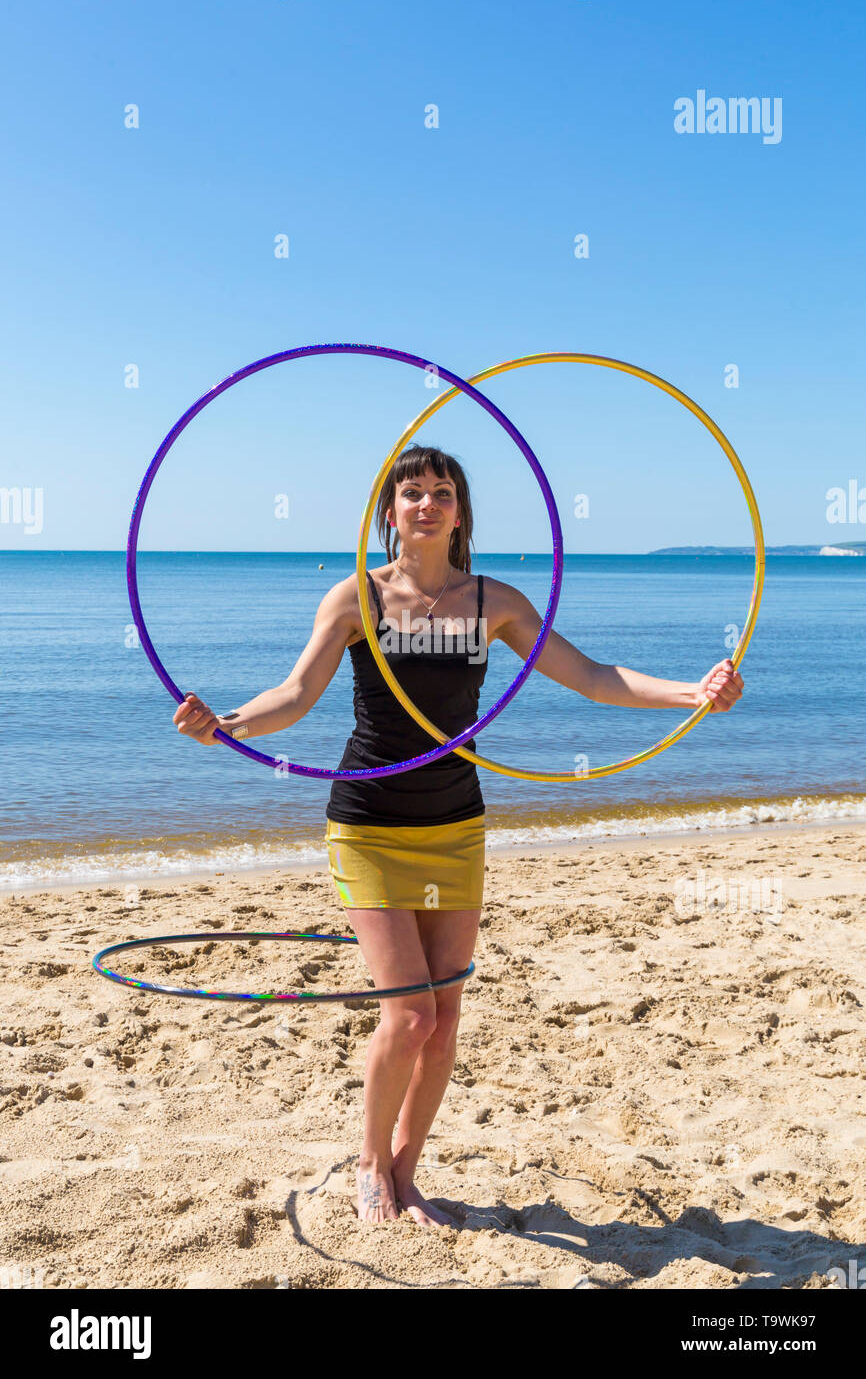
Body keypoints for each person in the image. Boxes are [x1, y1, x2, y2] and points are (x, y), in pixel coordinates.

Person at [173, 443, 744, 1228]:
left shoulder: (493, 602)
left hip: (454, 825)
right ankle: (371, 1166)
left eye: (443, 492)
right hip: (369, 825)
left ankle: (407, 1176)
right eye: (413, 493)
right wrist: (225, 727)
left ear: (460, 512)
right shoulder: (357, 599)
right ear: (390, 513)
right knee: (407, 1014)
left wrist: (694, 692)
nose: (428, 504)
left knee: (444, 1014)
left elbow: (592, 676)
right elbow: (295, 692)